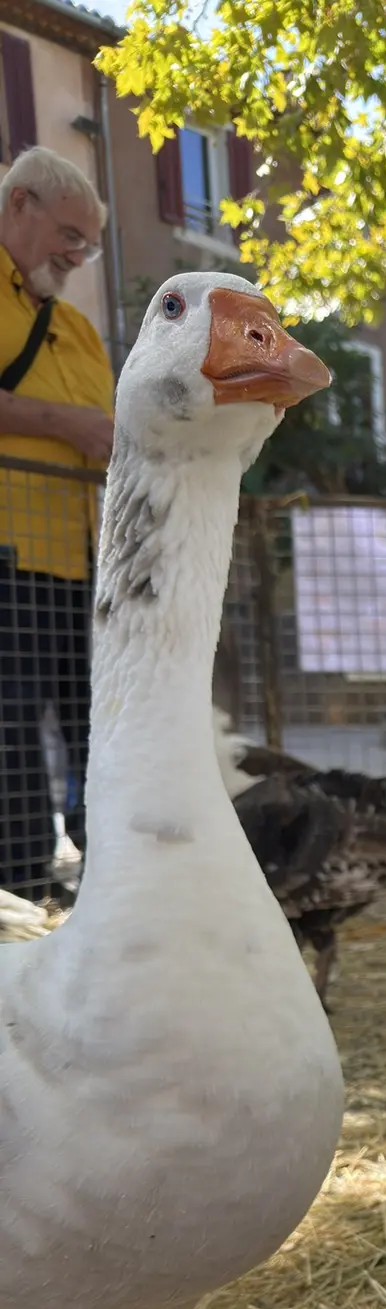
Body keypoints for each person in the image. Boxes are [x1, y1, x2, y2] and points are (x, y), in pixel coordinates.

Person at [0, 147, 112, 899]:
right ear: (19, 205)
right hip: (7, 557)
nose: (78, 254)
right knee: (8, 735)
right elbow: (82, 425)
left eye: (89, 243)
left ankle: (102, 876)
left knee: (97, 730)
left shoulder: (78, 325)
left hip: (80, 561)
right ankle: (20, 887)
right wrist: (66, 425)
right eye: (69, 233)